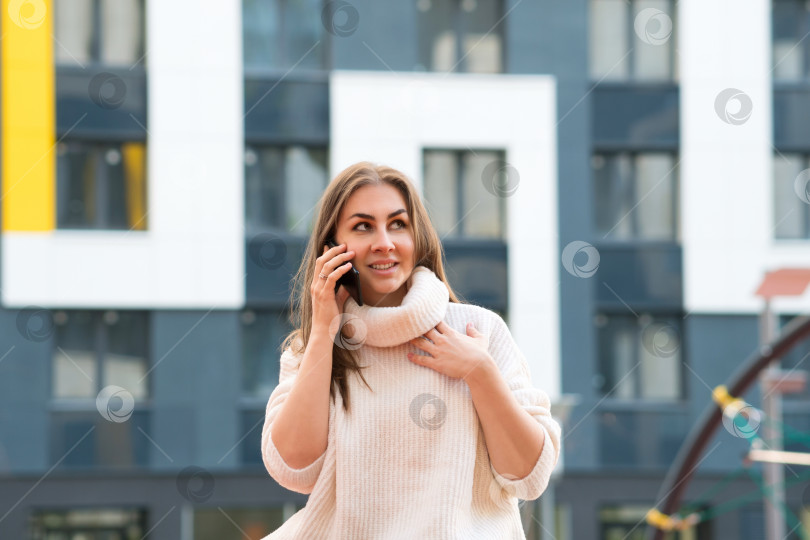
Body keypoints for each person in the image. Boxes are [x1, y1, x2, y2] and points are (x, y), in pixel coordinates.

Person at [260, 162, 561, 539]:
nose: (384, 241)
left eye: (398, 224)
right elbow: (293, 469)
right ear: (333, 247)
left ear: (416, 237)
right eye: (363, 226)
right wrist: (323, 329)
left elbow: (529, 477)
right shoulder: (313, 349)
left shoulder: (478, 329)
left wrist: (479, 371)